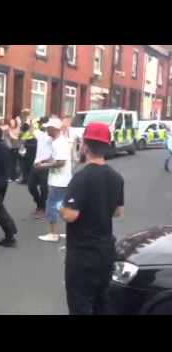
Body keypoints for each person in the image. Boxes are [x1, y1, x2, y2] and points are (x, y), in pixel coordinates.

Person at [60, 122, 124, 315]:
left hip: (83, 255)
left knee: (81, 304)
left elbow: (71, 215)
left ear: (85, 146)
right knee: (102, 302)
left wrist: (61, 208)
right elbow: (118, 212)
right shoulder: (116, 177)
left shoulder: (81, 178)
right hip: (105, 253)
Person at [37, 117, 72, 242]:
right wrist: (45, 160)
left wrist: (43, 166)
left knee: (52, 206)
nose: (46, 129)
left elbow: (60, 162)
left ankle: (52, 234)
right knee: (63, 205)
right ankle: (71, 231)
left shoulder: (59, 142)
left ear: (53, 129)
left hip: (59, 181)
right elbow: (56, 158)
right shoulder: (57, 141)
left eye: (48, 128)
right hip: (61, 180)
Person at [28, 116, 52, 219]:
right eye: (41, 123)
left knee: (44, 188)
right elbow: (31, 132)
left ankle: (43, 208)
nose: (41, 125)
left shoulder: (52, 137)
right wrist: (30, 121)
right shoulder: (40, 134)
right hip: (36, 164)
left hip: (45, 165)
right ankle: (39, 205)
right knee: (31, 186)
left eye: (43, 123)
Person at [17, 109, 36, 184]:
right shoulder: (33, 120)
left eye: (22, 114)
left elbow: (22, 132)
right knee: (30, 161)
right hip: (33, 142)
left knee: (23, 162)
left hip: (26, 142)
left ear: (25, 114)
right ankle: (30, 179)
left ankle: (25, 179)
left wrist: (19, 136)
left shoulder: (27, 122)